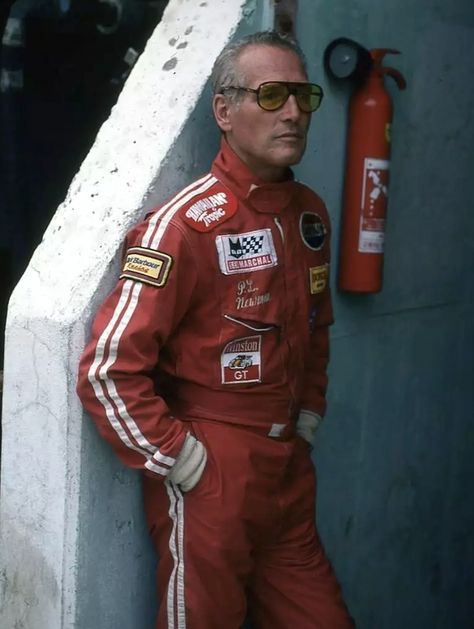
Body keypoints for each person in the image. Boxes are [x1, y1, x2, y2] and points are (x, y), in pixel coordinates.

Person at [77, 30, 354, 629]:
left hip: (287, 475)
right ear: (224, 112)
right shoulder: (183, 226)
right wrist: (182, 461)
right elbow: (107, 370)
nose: (292, 112)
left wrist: (306, 417)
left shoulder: (310, 213)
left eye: (303, 97)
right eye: (273, 95)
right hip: (212, 471)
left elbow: (317, 326)